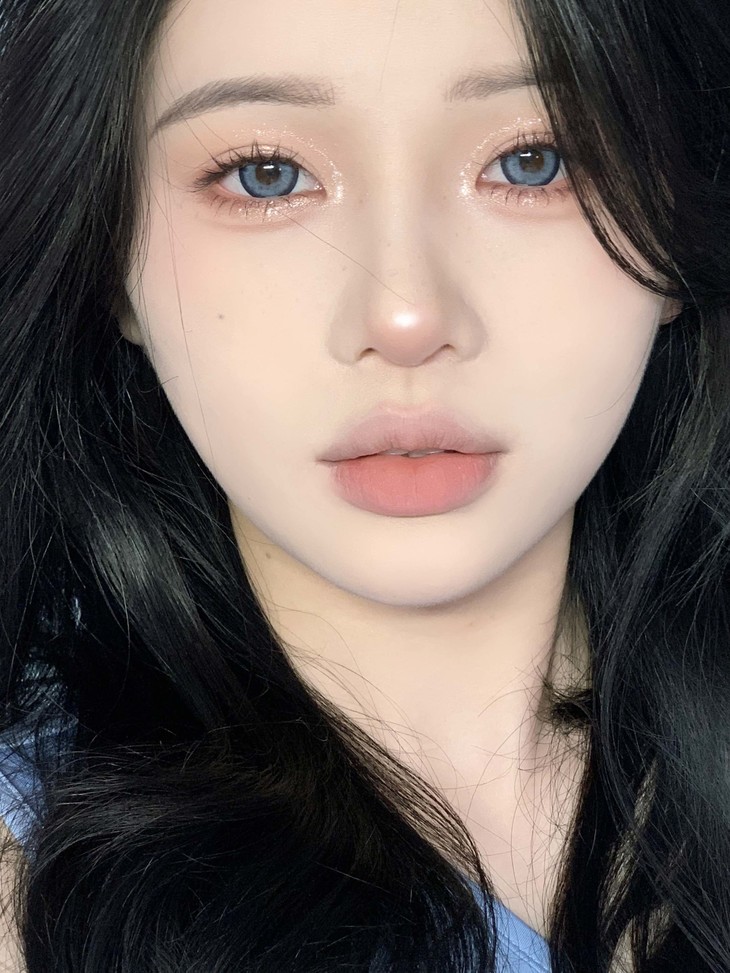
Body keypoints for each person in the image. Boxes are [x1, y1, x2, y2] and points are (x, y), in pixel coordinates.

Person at [0, 0, 728, 969]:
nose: (405, 315)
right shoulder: (28, 895)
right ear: (111, 257)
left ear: (674, 224)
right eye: (266, 175)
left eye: (533, 161)